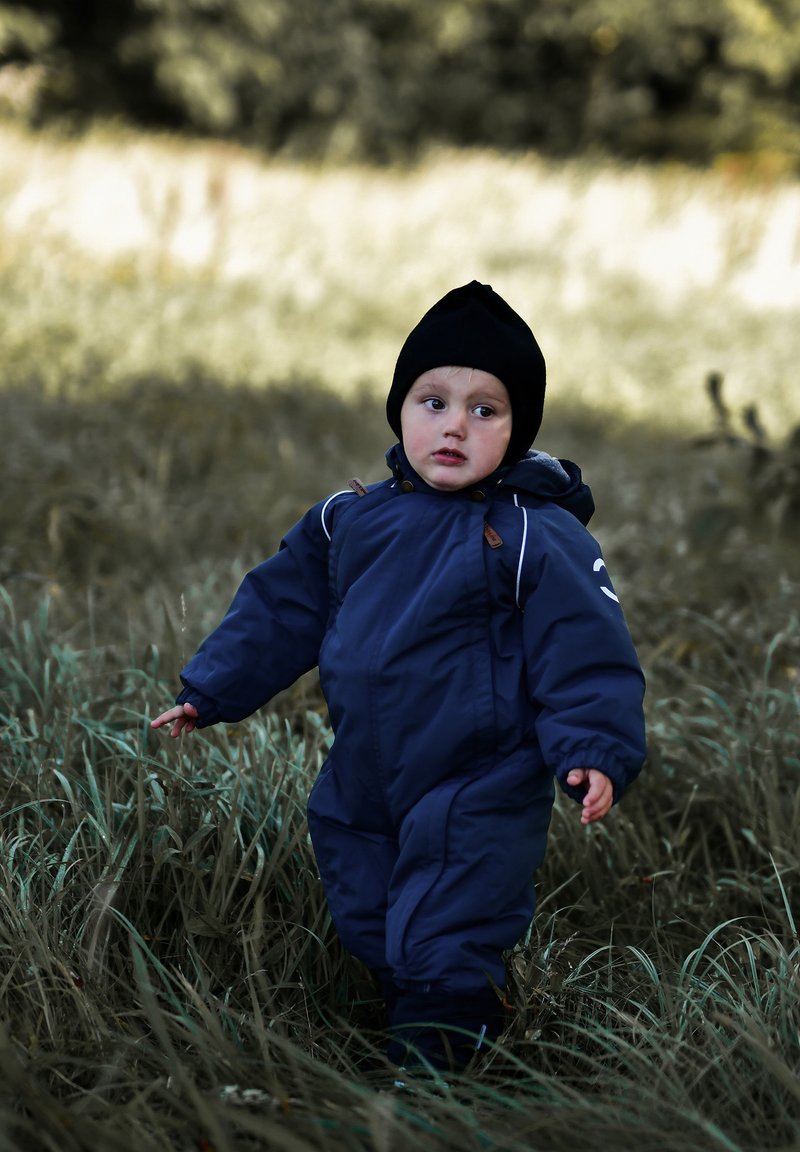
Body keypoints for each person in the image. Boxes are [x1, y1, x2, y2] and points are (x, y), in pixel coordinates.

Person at [152, 281, 646, 1074]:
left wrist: (592, 745)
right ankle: (417, 997)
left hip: (479, 773)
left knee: (451, 917)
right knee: (368, 905)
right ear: (400, 409)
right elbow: (282, 605)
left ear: (517, 432)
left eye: (486, 410)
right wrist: (210, 689)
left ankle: (439, 1067)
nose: (455, 424)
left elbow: (584, 647)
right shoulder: (350, 519)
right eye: (433, 400)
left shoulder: (529, 533)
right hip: (366, 765)